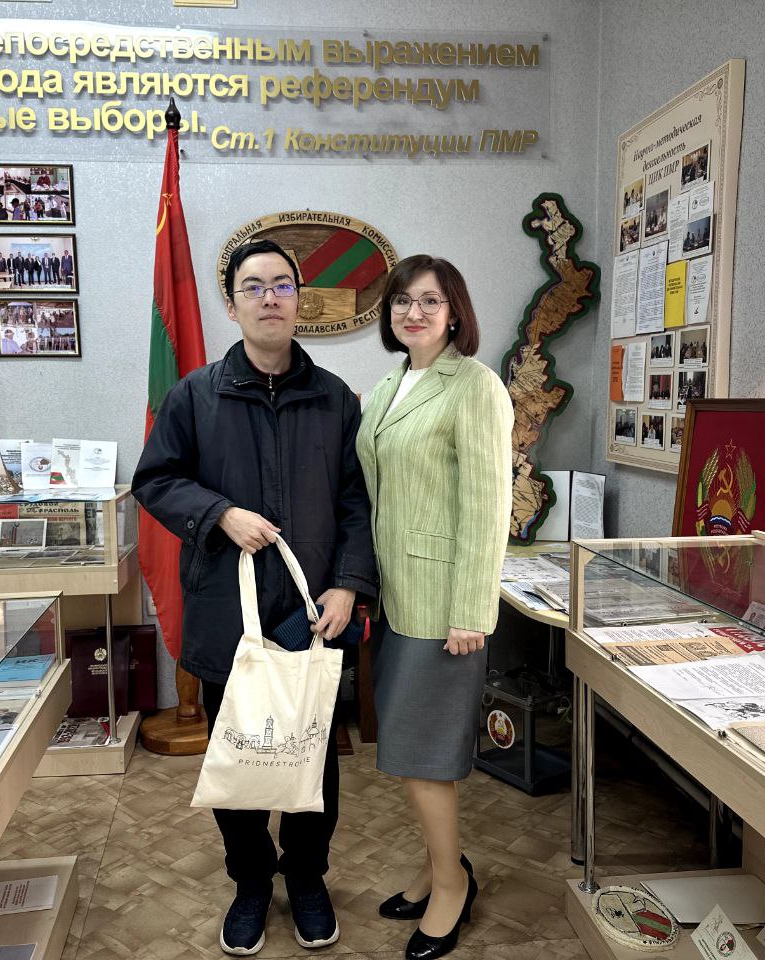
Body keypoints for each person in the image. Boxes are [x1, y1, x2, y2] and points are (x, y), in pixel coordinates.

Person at [132, 238, 376, 956]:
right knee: (237, 758)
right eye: (254, 286)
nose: (270, 297)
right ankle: (250, 883)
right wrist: (219, 514)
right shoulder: (195, 395)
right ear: (232, 304)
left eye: (282, 285)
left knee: (314, 757)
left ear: (299, 301)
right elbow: (155, 480)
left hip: (309, 614)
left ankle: (306, 877)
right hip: (225, 611)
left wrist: (348, 584)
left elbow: (357, 503)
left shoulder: (335, 399)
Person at [356, 255, 511, 960]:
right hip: (395, 598)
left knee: (424, 758)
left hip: (445, 605)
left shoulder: (475, 385)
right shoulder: (390, 385)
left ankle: (452, 885)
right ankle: (437, 867)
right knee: (407, 749)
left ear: (454, 313)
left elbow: (488, 505)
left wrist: (472, 609)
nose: (412, 313)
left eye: (429, 301)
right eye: (401, 301)